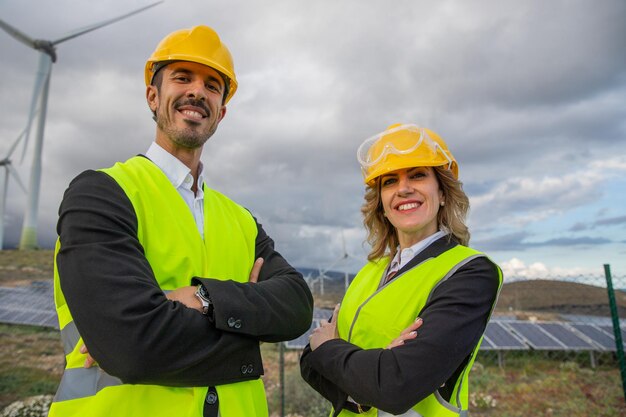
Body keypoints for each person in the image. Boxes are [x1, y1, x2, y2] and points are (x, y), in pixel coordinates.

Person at [48, 25, 313, 417]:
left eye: (212, 85)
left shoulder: (241, 220)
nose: (197, 92)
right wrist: (248, 328)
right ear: (153, 96)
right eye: (182, 77)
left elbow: (296, 307)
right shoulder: (102, 193)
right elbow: (133, 346)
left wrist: (201, 299)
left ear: (221, 111)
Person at [300, 123, 502, 417]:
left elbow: (395, 386)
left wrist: (332, 350)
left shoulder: (469, 273)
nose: (404, 189)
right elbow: (309, 361)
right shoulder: (370, 271)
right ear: (381, 203)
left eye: (418, 175)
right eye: (390, 181)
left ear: (443, 192)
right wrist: (369, 381)